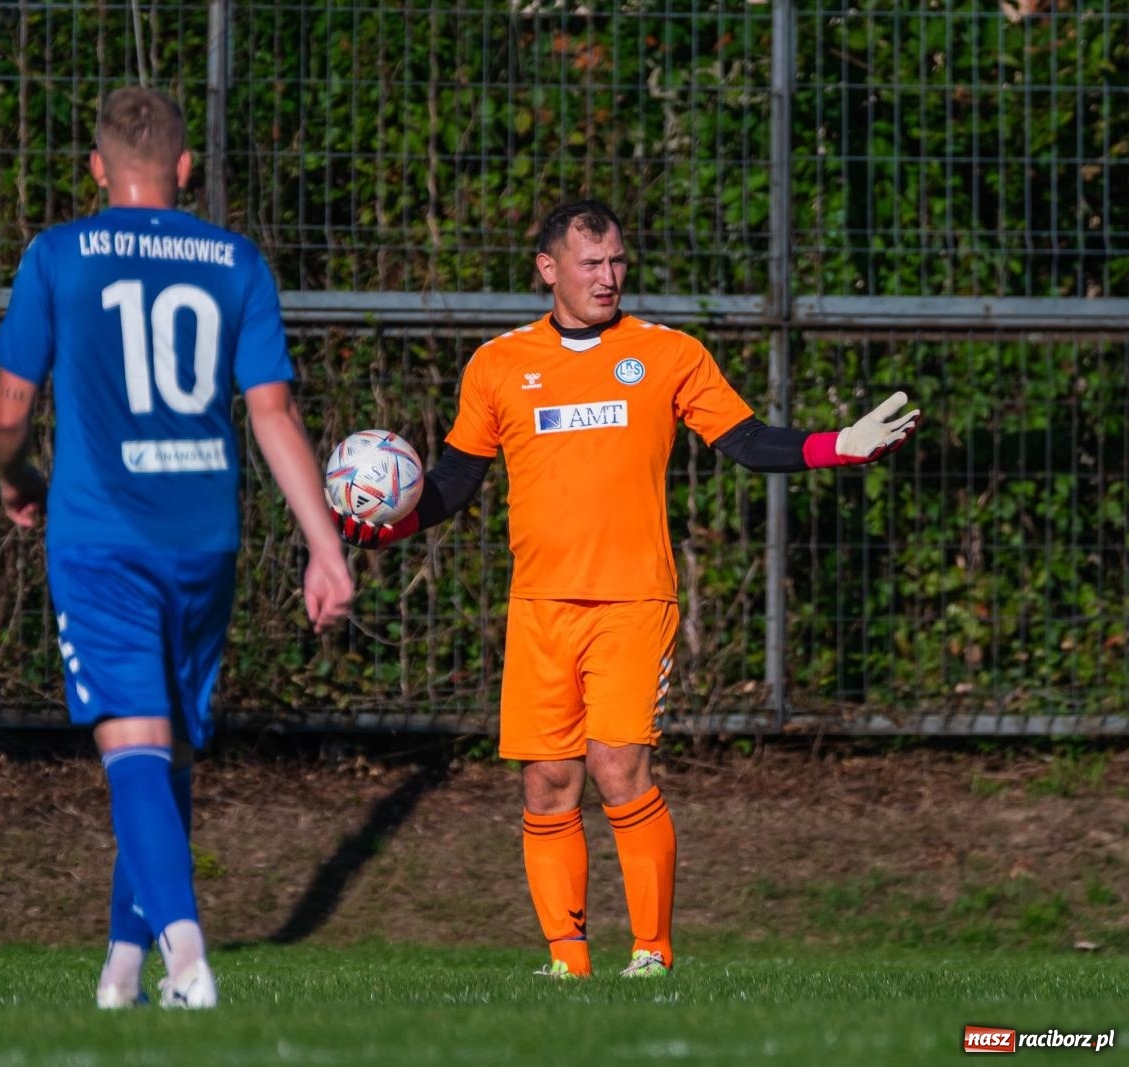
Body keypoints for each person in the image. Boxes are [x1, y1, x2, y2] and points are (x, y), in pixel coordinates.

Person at [335, 198, 919, 980]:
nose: (608, 277)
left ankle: (651, 953)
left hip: (635, 599)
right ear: (548, 269)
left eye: (616, 261)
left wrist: (836, 444)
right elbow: (452, 482)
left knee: (617, 765)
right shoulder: (498, 364)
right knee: (548, 779)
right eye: (591, 263)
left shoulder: (668, 353)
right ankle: (568, 963)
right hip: (540, 606)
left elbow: (747, 442)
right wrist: (383, 529)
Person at [0, 86, 354, 1009]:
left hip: (101, 534)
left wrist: (17, 475)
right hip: (203, 540)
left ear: (97, 169)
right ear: (186, 169)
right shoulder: (236, 260)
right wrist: (326, 547)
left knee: (136, 745)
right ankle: (123, 966)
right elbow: (273, 412)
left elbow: (9, 412)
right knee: (172, 751)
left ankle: (186, 958)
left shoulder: (57, 254)